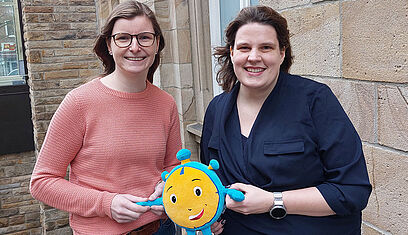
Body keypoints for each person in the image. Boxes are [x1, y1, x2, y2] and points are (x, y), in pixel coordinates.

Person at [200, 5, 372, 235]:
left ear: (282, 53)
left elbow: (352, 190)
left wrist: (274, 200)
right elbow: (211, 184)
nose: (254, 57)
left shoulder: (315, 101)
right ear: (232, 53)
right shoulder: (217, 110)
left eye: (266, 47)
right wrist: (210, 216)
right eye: (244, 47)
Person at [30, 1, 181, 234]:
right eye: (123, 38)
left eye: (144, 37)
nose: (134, 46)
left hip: (160, 228)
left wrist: (168, 186)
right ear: (109, 45)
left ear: (157, 43)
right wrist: (106, 204)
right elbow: (42, 182)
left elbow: (173, 166)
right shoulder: (80, 102)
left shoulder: (166, 103)